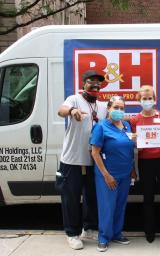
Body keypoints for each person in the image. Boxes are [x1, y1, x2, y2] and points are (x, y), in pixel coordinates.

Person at [57, 70, 107, 250]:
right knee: (71, 197)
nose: (95, 84)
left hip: (93, 159)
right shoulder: (74, 99)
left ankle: (90, 227)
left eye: (98, 82)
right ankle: (72, 233)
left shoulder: (102, 107)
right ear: (84, 83)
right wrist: (72, 111)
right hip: (72, 159)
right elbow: (61, 111)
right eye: (91, 81)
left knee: (91, 196)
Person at [129, 85, 160, 245]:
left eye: (150, 98)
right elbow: (135, 146)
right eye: (144, 98)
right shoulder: (134, 120)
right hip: (145, 162)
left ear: (155, 99)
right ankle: (149, 232)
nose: (147, 100)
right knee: (148, 198)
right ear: (139, 100)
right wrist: (135, 141)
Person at [90, 96, 135, 252]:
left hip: (125, 174)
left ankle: (116, 233)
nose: (119, 111)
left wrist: (133, 170)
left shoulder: (127, 126)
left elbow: (130, 150)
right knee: (106, 206)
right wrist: (106, 175)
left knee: (120, 205)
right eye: (116, 107)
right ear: (108, 108)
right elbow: (95, 153)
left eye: (122, 108)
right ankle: (103, 237)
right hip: (108, 175)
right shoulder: (101, 127)